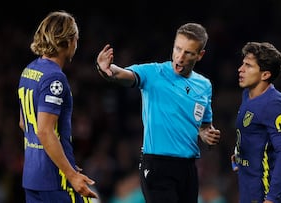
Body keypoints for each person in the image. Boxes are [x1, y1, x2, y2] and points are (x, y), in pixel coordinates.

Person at [95, 22, 221, 203]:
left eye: (188, 53)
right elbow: (121, 75)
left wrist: (207, 135)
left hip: (188, 169)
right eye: (178, 48)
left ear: (200, 55)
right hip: (157, 166)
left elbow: (204, 126)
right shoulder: (153, 72)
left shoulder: (204, 85)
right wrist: (106, 68)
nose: (180, 56)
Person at [18, 11, 99, 202]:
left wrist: (66, 163)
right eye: (76, 39)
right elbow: (45, 131)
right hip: (56, 179)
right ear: (68, 41)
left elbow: (24, 123)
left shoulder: (29, 70)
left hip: (32, 176)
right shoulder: (55, 78)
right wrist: (70, 174)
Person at [231, 42, 281, 203]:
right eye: (243, 63)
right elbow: (253, 133)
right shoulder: (247, 94)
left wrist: (271, 198)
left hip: (265, 190)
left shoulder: (274, 103)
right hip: (248, 185)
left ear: (265, 75)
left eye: (248, 66)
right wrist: (239, 156)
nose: (241, 69)